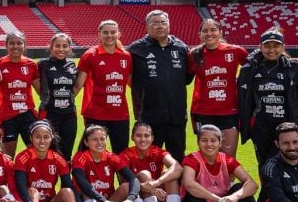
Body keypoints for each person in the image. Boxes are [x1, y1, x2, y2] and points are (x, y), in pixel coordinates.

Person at [70, 124, 168, 202]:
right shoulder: (80, 158)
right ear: (86, 142)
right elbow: (82, 184)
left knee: (127, 186)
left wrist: (130, 199)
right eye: (94, 139)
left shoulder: (111, 157)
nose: (99, 142)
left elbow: (133, 179)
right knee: (86, 192)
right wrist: (104, 201)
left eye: (102, 138)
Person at [13, 120, 86, 202]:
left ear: (51, 138)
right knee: (32, 190)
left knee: (67, 191)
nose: (42, 141)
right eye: (38, 137)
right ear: (31, 137)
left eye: (46, 137)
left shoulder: (58, 158)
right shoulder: (23, 157)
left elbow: (69, 184)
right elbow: (21, 186)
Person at [237, 28, 298, 178]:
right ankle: (266, 200)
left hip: (286, 126)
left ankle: (283, 197)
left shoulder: (293, 68)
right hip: (260, 126)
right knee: (264, 163)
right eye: (267, 46)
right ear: (260, 47)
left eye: (276, 46)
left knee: (285, 162)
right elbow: (242, 96)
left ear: (283, 47)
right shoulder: (250, 69)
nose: (271, 50)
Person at [127, 9, 192, 159]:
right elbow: (127, 77)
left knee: (177, 158)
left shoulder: (181, 47)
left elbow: (187, 78)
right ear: (147, 27)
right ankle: (150, 183)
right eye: (155, 23)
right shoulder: (136, 49)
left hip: (177, 115)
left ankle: (174, 183)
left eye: (163, 22)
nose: (160, 26)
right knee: (148, 158)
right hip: (149, 116)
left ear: (169, 25)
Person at [187, 18, 247, 157]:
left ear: (220, 32)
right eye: (205, 30)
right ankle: (207, 179)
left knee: (228, 155)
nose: (209, 33)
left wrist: (287, 60)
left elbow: (257, 66)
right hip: (202, 111)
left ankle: (228, 180)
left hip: (229, 111)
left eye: (213, 30)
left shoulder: (236, 51)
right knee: (208, 155)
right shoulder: (193, 55)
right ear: (200, 34)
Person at [119, 122, 185, 202]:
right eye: (139, 135)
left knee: (168, 174)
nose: (143, 139)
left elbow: (178, 167)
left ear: (152, 138)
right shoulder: (125, 155)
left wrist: (158, 182)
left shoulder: (157, 151)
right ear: (132, 137)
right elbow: (126, 183)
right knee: (145, 174)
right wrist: (152, 188)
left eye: (146, 135)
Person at [74, 20, 132, 153]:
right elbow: (78, 85)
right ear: (99, 34)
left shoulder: (126, 56)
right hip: (96, 113)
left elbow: (132, 84)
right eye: (105, 32)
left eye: (113, 32)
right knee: (92, 153)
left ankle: (122, 175)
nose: (109, 35)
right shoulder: (90, 55)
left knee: (122, 154)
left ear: (118, 34)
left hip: (120, 114)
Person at [0, 32, 41, 156]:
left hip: (28, 116)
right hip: (7, 117)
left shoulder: (31, 64)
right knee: (7, 157)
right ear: (6, 45)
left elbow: (40, 90)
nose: (16, 46)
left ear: (24, 45)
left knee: (36, 153)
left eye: (19, 43)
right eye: (12, 43)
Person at [37, 32, 79, 161]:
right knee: (47, 152)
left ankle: (66, 181)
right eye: (57, 46)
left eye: (65, 46)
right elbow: (38, 87)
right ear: (51, 47)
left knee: (66, 152)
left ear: (69, 48)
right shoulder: (42, 64)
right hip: (49, 114)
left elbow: (75, 88)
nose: (61, 49)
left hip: (69, 115)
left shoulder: (72, 64)